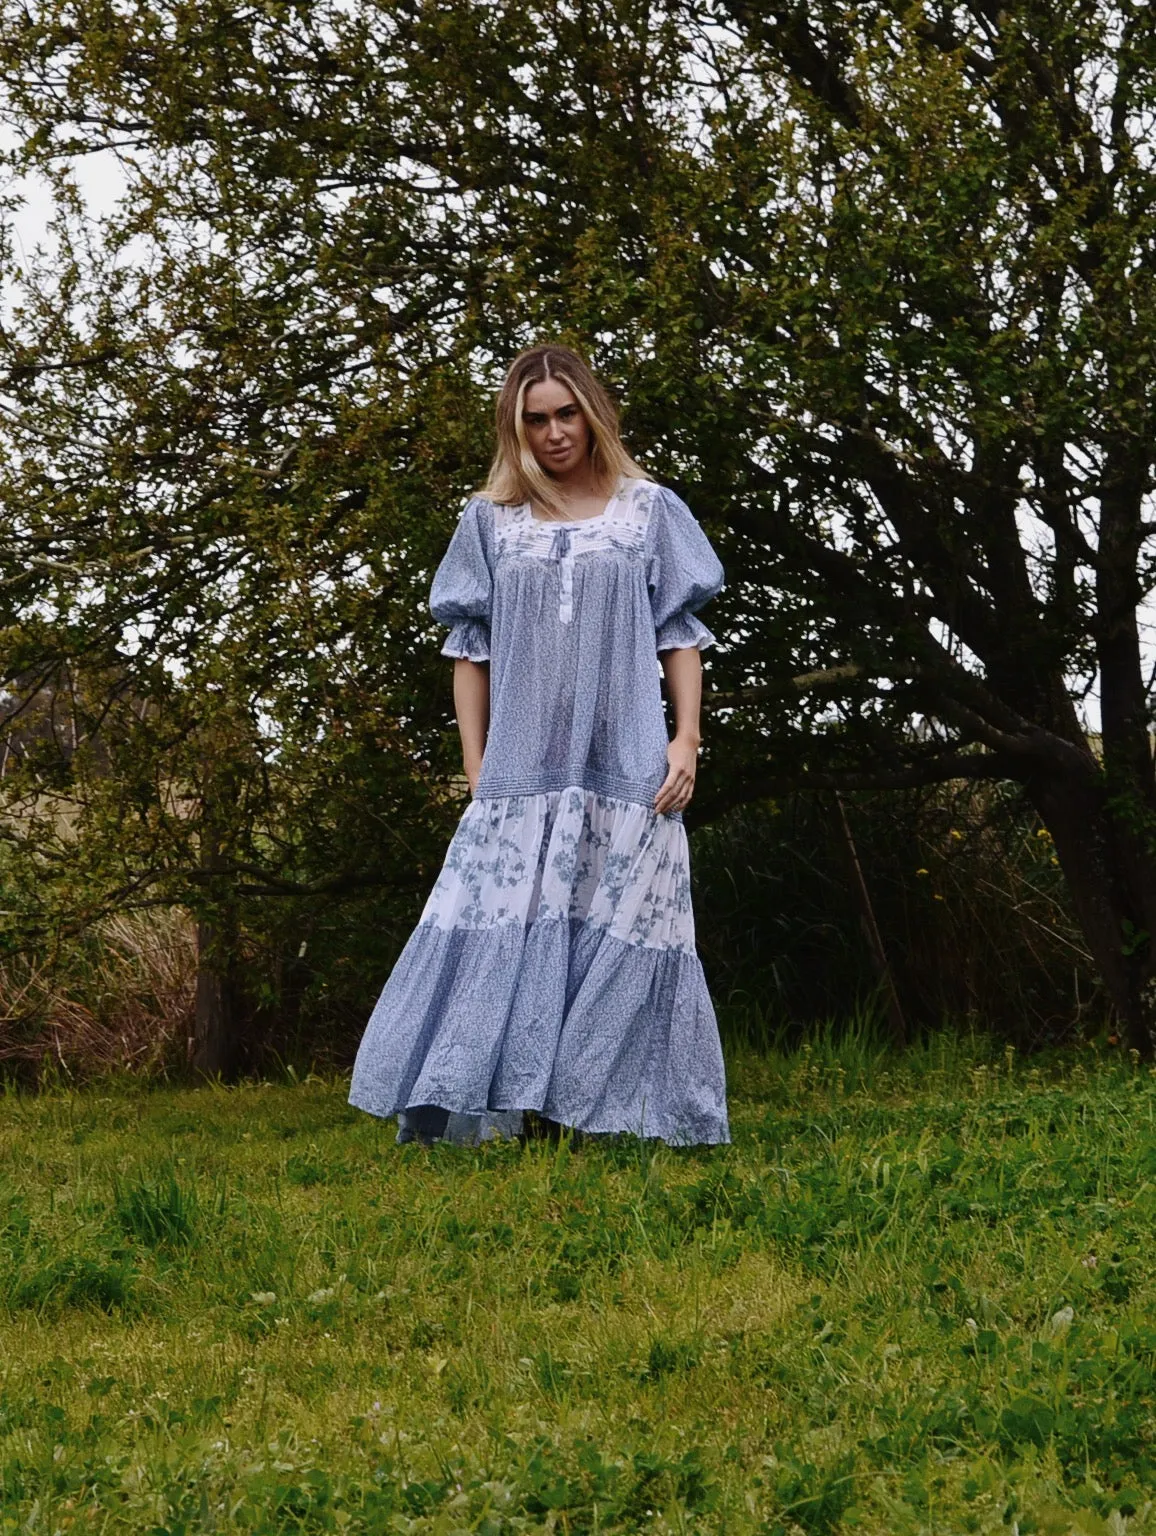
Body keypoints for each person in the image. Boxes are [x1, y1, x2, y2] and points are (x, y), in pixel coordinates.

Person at [348, 344, 729, 1146]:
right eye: (535, 419)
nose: (554, 433)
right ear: (514, 428)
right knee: (505, 925)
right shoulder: (490, 521)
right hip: (521, 770)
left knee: (622, 920)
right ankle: (520, 1108)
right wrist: (476, 764)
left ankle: (595, 1108)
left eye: (566, 414)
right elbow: (468, 648)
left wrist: (686, 737)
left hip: (626, 758)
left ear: (591, 415)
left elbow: (679, 634)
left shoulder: (648, 511)